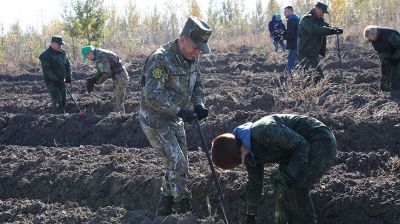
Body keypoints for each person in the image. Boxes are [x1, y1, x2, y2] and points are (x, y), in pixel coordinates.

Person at [139, 16, 212, 216]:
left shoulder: (192, 58)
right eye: (195, 47)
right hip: (155, 118)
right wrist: (180, 111)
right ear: (182, 39)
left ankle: (163, 209)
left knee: (179, 163)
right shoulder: (160, 59)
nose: (198, 52)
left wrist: (199, 104)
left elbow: (197, 84)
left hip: (176, 116)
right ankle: (183, 210)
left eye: (200, 48)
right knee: (177, 162)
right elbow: (152, 96)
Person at [211, 114, 337, 224]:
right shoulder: (247, 152)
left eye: (237, 163)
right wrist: (251, 215)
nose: (240, 165)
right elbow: (255, 183)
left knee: (296, 186)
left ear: (237, 154)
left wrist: (289, 174)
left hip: (319, 139)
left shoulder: (264, 130)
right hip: (295, 152)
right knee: (284, 190)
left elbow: (302, 145)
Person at [297, 2, 343, 85]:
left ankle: (310, 93)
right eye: (323, 12)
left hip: (313, 52)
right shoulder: (307, 19)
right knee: (317, 76)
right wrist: (331, 30)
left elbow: (327, 26)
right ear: (317, 9)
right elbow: (315, 29)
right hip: (306, 52)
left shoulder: (319, 20)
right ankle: (313, 92)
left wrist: (336, 29)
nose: (323, 14)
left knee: (311, 76)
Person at [81, 46, 129, 113]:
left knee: (117, 99)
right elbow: (102, 70)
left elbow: (106, 73)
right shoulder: (99, 53)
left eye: (87, 56)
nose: (87, 59)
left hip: (120, 76)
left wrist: (96, 81)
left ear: (90, 52)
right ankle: (119, 116)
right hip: (118, 76)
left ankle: (120, 117)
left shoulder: (100, 56)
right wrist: (94, 78)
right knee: (117, 98)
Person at [39, 36, 72, 114]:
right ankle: (57, 118)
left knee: (64, 100)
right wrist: (56, 79)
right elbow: (47, 70)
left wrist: (68, 76)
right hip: (51, 82)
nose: (60, 46)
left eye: (61, 44)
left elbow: (67, 65)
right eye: (59, 44)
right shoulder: (45, 55)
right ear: (52, 44)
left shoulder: (63, 53)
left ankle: (62, 116)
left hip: (61, 80)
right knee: (58, 100)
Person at [364, 25, 400, 91]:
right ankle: (384, 90)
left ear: (374, 34)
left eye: (370, 38)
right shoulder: (374, 40)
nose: (369, 40)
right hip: (388, 55)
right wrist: (384, 63)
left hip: (397, 54)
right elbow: (381, 52)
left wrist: (395, 58)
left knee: (396, 76)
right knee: (384, 74)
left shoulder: (390, 35)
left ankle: (396, 93)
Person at [283, 6, 300, 76]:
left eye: (285, 12)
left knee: (289, 64)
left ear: (290, 11)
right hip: (299, 45)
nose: (284, 13)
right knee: (301, 63)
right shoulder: (297, 19)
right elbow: (294, 32)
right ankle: (302, 77)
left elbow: (291, 35)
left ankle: (292, 79)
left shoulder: (291, 20)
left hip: (293, 46)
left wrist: (282, 37)